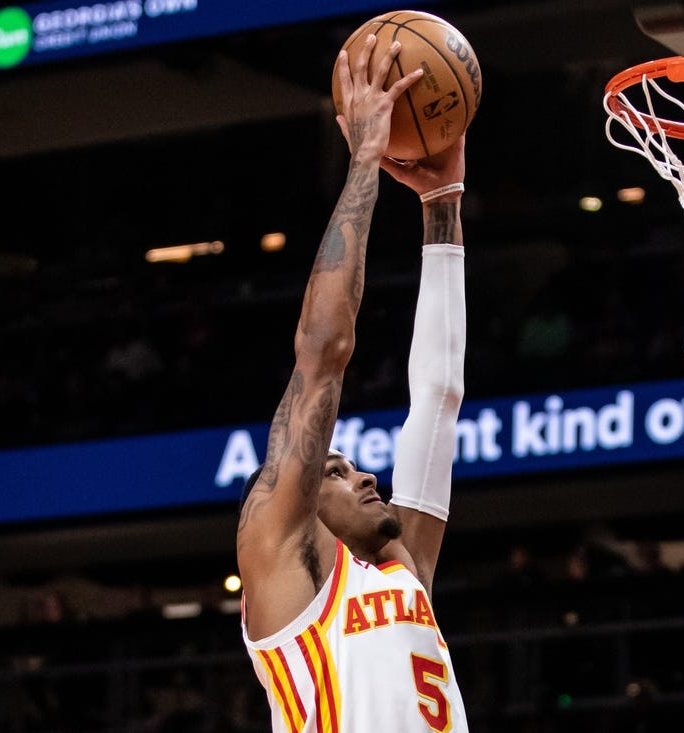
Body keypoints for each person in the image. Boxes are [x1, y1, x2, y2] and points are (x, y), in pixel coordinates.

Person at [237, 34, 469, 733]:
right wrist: (365, 158)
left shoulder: (404, 572)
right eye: (335, 469)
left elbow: (438, 395)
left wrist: (442, 206)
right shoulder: (284, 565)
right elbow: (322, 353)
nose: (365, 473)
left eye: (344, 463)